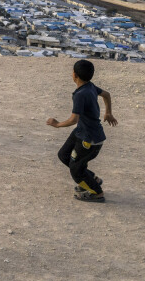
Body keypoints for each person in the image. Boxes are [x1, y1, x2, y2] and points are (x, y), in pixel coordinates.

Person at [46, 59, 117, 202]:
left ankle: (96, 192)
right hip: (81, 131)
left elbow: (73, 119)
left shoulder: (80, 94)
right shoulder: (90, 86)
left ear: (74, 75)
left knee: (76, 171)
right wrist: (108, 112)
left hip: (89, 139)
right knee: (63, 155)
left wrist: (57, 124)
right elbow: (107, 94)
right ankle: (91, 179)